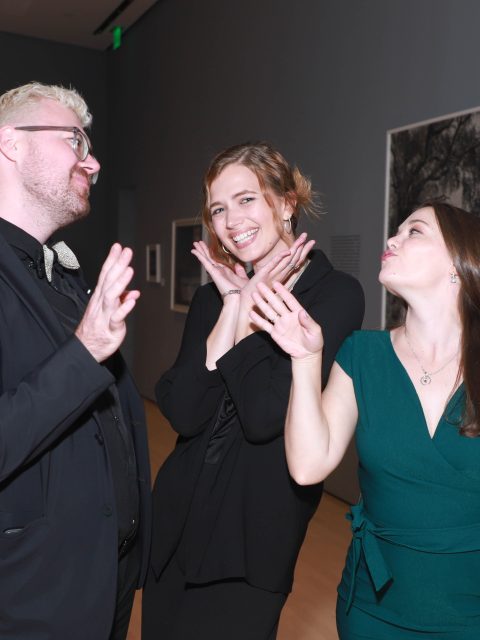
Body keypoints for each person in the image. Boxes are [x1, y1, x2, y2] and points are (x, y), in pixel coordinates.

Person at [142, 142, 364, 639]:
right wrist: (234, 307)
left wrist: (246, 312)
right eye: (218, 209)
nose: (230, 221)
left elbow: (263, 415)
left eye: (246, 199)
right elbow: (185, 412)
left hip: (250, 541)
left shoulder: (333, 294)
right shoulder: (213, 297)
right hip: (174, 523)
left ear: (286, 203)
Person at [250, 200, 480, 638]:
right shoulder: (362, 354)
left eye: (414, 231)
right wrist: (305, 359)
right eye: (397, 230)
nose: (393, 238)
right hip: (374, 610)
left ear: (457, 263)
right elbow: (308, 466)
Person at [0, 82, 151, 639]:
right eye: (75, 141)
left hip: (105, 580)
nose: (93, 161)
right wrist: (85, 351)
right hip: (32, 598)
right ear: (11, 143)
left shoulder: (64, 276)